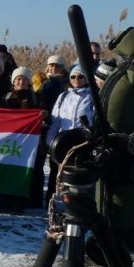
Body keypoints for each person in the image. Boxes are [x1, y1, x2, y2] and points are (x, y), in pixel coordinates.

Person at [45, 64, 97, 201]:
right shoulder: (63, 96)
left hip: (83, 142)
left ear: (86, 79)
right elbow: (55, 121)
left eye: (80, 77)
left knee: (79, 174)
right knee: (58, 174)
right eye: (73, 76)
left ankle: (80, 202)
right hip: (64, 142)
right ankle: (53, 201)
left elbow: (96, 120)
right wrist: (50, 143)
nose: (76, 79)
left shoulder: (92, 97)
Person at [0, 66, 40, 212]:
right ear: (14, 81)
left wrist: (43, 115)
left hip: (27, 143)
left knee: (23, 171)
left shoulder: (36, 97)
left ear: (29, 82)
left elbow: (43, 115)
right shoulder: (6, 97)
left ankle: (20, 203)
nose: (21, 82)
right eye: (18, 79)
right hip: (9, 140)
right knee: (7, 170)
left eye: (24, 79)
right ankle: (5, 202)